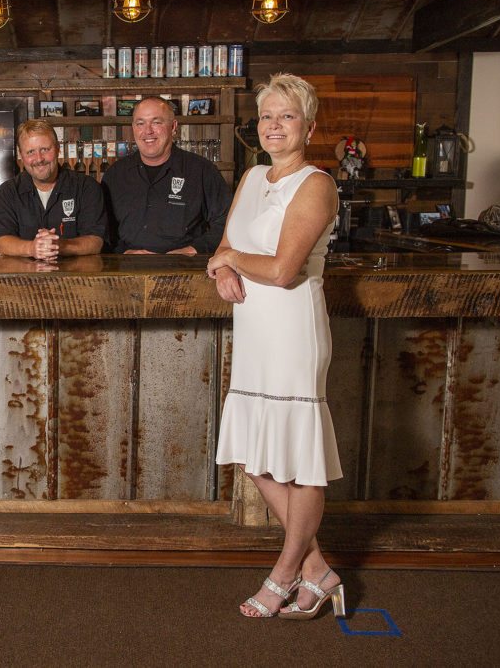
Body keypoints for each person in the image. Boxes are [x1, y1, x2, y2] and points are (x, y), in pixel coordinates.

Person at [205, 73, 344, 620]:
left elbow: (285, 271)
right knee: (254, 455)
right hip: (254, 329)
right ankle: (317, 570)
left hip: (292, 329)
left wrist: (232, 261)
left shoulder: (315, 183)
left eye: (287, 116)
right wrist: (220, 266)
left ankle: (287, 572)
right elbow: (225, 244)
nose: (275, 125)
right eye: (267, 116)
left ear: (309, 126)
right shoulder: (252, 176)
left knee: (299, 462)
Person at [103, 96, 231, 255]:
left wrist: (193, 250)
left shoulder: (202, 170)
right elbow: (102, 229)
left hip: (185, 270)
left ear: (173, 127)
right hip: (126, 270)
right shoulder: (115, 174)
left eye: (156, 122)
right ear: (133, 128)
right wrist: (124, 252)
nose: (148, 131)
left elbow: (228, 223)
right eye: (140, 123)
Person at [0, 119, 106, 260]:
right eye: (30, 152)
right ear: (21, 156)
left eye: (45, 149)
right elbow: (1, 243)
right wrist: (32, 248)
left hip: (76, 280)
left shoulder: (87, 187)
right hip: (24, 281)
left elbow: (96, 242)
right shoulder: (6, 193)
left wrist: (60, 245)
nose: (39, 158)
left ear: (58, 149)